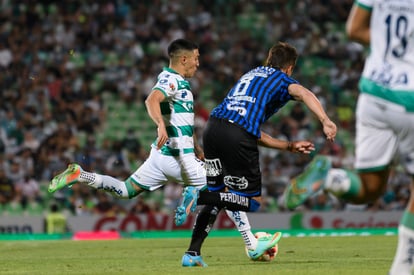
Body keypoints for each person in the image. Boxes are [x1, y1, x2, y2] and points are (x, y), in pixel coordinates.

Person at [47, 39, 273, 265]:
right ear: (183, 59)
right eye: (195, 58)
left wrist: (197, 148)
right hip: (179, 159)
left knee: (125, 190)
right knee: (224, 188)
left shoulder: (179, 83)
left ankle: (81, 175)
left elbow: (181, 120)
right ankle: (251, 244)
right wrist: (159, 125)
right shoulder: (171, 79)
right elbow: (152, 99)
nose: (198, 63)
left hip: (161, 159)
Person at [177, 41, 337, 267]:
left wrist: (289, 146)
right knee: (252, 201)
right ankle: (199, 193)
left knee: (219, 193)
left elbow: (251, 131)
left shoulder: (251, 75)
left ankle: (192, 253)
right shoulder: (281, 79)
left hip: (213, 129)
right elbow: (304, 93)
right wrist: (325, 120)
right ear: (289, 68)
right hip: (236, 134)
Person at [283, 1, 414, 274]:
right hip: (410, 98)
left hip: (373, 94)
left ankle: (331, 178)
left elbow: (354, 29)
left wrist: (386, 48)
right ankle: (402, 268)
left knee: (369, 189)